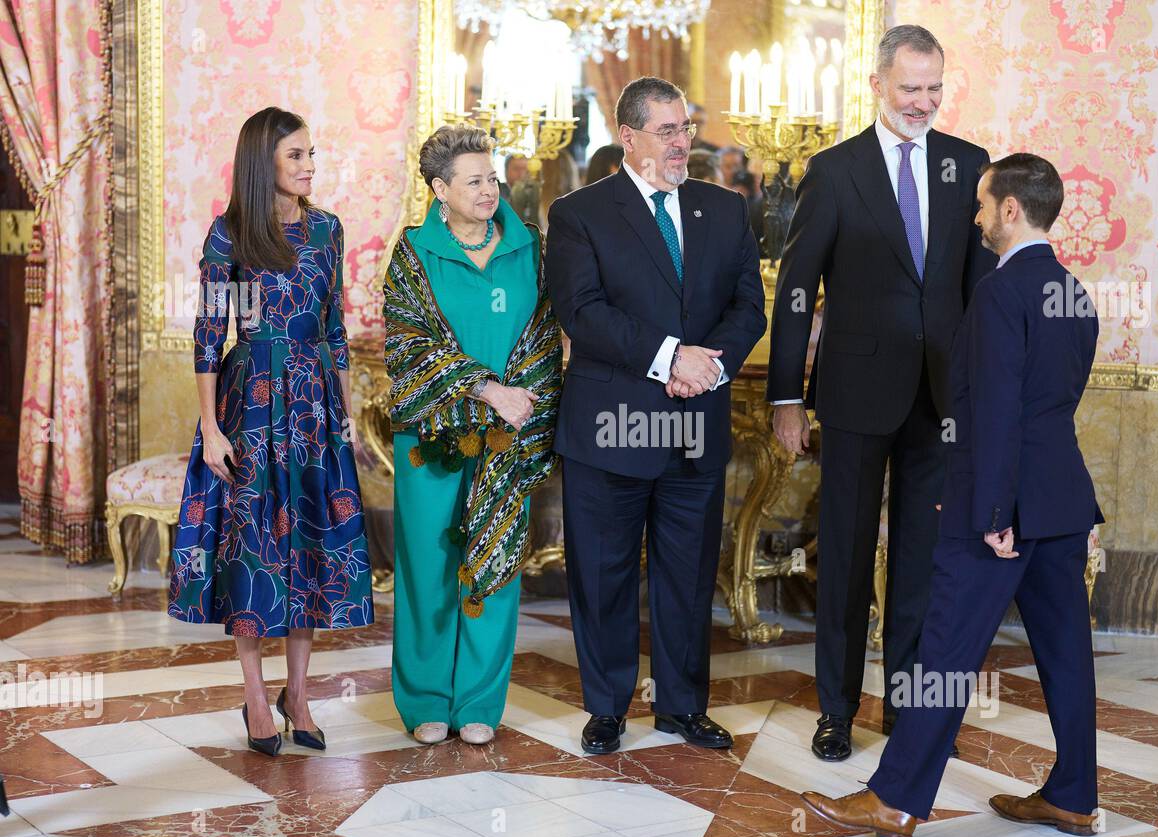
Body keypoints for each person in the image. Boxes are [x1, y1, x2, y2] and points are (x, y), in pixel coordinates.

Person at [801, 153, 1104, 837]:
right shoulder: (1075, 293)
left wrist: (995, 511)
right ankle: (1075, 796)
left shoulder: (1000, 293)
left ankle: (896, 798)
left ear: (1009, 210)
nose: (973, 217)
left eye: (980, 204)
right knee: (1066, 654)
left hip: (1002, 511)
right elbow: (1052, 409)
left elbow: (997, 408)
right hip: (1063, 502)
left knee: (943, 651)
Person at [767, 25, 995, 762]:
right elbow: (797, 290)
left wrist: (982, 394)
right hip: (855, 394)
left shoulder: (969, 166)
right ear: (876, 85)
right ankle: (836, 709)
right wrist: (786, 398)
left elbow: (977, 291)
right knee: (844, 555)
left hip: (941, 399)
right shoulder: (834, 171)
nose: (923, 102)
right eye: (910, 89)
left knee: (924, 561)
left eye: (934, 88)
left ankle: (908, 707)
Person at [546, 76, 766, 755]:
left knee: (689, 575)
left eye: (686, 130)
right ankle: (608, 708)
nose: (682, 144)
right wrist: (671, 356)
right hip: (610, 429)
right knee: (604, 574)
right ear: (628, 137)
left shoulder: (724, 209)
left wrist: (710, 362)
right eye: (667, 131)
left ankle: (681, 707)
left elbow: (747, 308)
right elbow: (581, 312)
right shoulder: (579, 214)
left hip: (695, 425)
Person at [168, 107, 373, 757]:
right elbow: (207, 337)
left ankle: (301, 695)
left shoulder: (328, 230)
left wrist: (346, 418)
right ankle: (257, 697)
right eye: (297, 156)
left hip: (314, 405)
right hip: (250, 403)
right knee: (253, 552)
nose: (311, 165)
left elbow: (335, 330)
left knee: (310, 546)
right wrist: (211, 428)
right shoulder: (230, 235)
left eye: (313, 154)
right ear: (265, 162)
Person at [383, 125, 561, 746]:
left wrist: (520, 401)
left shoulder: (531, 246)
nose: (490, 190)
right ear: (439, 189)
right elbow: (408, 347)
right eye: (474, 180)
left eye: (493, 177)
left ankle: (481, 701)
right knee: (428, 566)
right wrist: (488, 391)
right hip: (432, 437)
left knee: (497, 565)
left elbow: (544, 338)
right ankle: (427, 701)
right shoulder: (412, 252)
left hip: (508, 436)